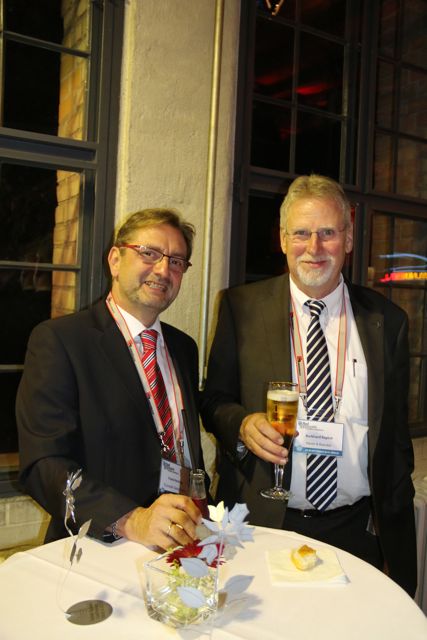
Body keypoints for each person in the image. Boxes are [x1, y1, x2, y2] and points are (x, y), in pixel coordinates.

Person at [201, 174, 417, 596]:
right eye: (301, 233)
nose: (314, 247)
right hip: (262, 526)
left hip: (356, 531)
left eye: (327, 233)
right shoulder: (241, 308)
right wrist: (241, 425)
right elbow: (213, 400)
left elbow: (395, 435)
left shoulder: (387, 322)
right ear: (283, 239)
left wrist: (394, 527)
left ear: (348, 239)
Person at [17, 208, 206, 551]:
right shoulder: (61, 341)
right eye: (149, 253)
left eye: (177, 261)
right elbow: (43, 464)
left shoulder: (184, 348)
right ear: (115, 260)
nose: (163, 270)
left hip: (181, 542)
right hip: (100, 546)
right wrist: (131, 520)